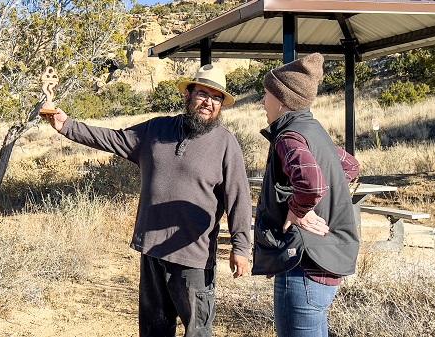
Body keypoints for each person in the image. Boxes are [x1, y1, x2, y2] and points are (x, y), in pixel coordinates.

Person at [40, 64, 252, 337]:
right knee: (153, 330)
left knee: (197, 332)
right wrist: (66, 126)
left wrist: (241, 247)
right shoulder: (157, 129)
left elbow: (239, 197)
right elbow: (113, 139)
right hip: (151, 250)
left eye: (217, 97)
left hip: (193, 257)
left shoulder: (225, 143)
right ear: (188, 95)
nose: (209, 102)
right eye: (203, 93)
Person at [251, 53, 360, 337]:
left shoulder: (289, 136)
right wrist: (307, 200)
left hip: (303, 267)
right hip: (325, 265)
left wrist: (299, 208)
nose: (264, 103)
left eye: (266, 95)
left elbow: (311, 184)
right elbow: (349, 165)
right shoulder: (314, 130)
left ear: (282, 99)